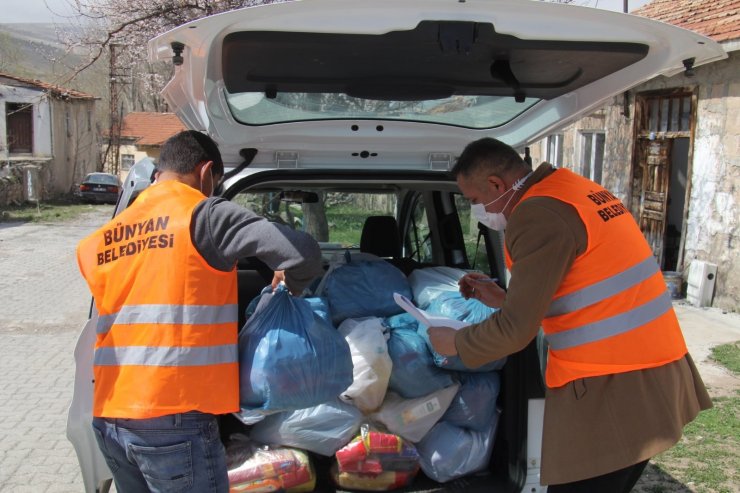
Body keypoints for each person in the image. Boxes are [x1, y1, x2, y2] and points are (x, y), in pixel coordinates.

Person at [428, 137, 711, 493]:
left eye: (475, 200)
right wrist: (505, 298)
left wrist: (453, 342)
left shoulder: (537, 215)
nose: (478, 209)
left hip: (612, 383)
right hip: (651, 370)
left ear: (496, 185)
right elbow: (582, 287)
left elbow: (516, 332)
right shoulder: (572, 189)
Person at [76, 130, 324, 492]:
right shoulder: (202, 214)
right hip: (173, 417)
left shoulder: (102, 239)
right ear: (207, 173)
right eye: (216, 185)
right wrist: (290, 288)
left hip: (110, 417)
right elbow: (304, 253)